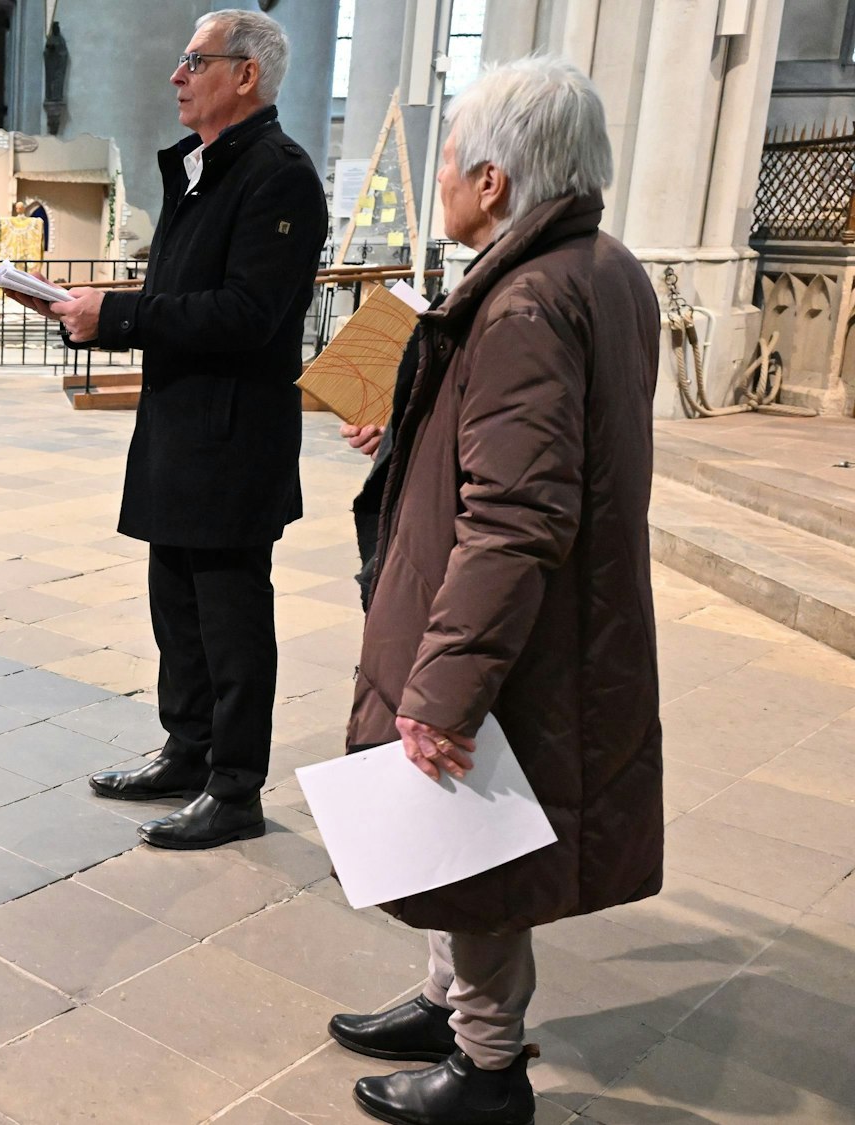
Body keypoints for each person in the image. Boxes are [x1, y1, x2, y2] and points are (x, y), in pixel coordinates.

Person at [325, 57, 663, 1125]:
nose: (441, 187)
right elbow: (535, 451)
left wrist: (441, 686)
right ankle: (444, 1002)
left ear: (493, 183)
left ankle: (484, 1065)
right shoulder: (600, 268)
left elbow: (516, 514)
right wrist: (415, 432)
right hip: (555, 616)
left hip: (510, 626)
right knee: (458, 836)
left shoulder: (522, 299)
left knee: (472, 839)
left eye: (453, 168)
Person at [21, 9, 329, 850]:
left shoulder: (278, 174)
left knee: (231, 622)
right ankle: (187, 750)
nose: (177, 75)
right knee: (177, 612)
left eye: (195, 61)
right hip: (181, 430)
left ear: (247, 75)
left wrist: (116, 314)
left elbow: (248, 314)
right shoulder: (205, 169)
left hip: (233, 440)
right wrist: (91, 307)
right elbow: (189, 291)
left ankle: (235, 789)